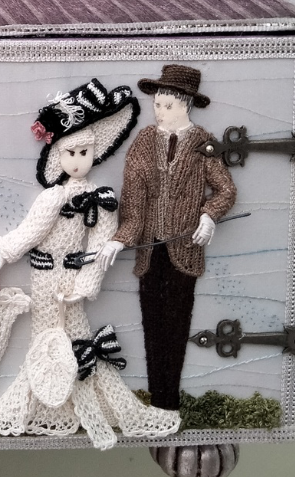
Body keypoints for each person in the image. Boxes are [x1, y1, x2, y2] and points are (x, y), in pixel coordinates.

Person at [0, 79, 181, 449]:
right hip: (44, 278)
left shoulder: (100, 198)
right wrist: (0, 257)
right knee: (44, 337)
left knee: (76, 336)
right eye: (70, 153)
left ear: (94, 152)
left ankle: (83, 400)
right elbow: (29, 233)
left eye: (84, 152)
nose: (77, 161)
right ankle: (43, 404)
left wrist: (87, 283)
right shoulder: (52, 197)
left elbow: (101, 245)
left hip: (71, 280)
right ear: (58, 155)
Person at [97, 64, 237, 411]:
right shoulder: (144, 142)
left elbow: (226, 189)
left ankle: (169, 402)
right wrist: (120, 239)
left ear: (186, 104)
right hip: (149, 253)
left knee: (176, 324)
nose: (159, 111)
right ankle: (156, 401)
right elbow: (133, 202)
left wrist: (209, 215)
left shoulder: (203, 142)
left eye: (167, 105)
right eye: (157, 104)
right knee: (152, 325)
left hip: (185, 250)